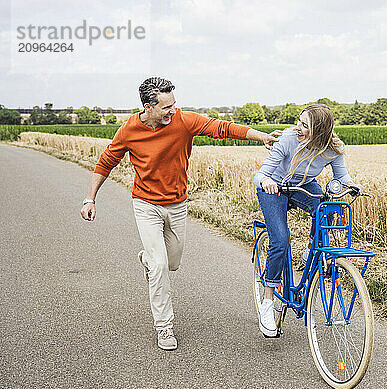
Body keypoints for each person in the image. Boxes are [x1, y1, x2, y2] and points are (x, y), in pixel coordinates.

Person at [80, 77, 279, 350]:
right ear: (148, 108)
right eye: (166, 107)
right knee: (160, 266)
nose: (173, 110)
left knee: (171, 262)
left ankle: (148, 259)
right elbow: (106, 162)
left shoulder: (183, 121)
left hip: (177, 204)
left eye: (174, 104)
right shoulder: (129, 130)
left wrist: (262, 136)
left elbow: (222, 128)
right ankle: (164, 328)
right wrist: (89, 199)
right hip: (146, 204)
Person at [253, 104, 360, 337]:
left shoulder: (333, 149)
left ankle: (311, 249)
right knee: (281, 240)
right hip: (275, 187)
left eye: (305, 126)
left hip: (303, 186)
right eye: (299, 122)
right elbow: (260, 174)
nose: (297, 128)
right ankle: (268, 303)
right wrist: (266, 182)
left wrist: (352, 186)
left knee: (326, 205)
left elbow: (341, 177)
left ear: (320, 131)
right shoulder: (287, 140)